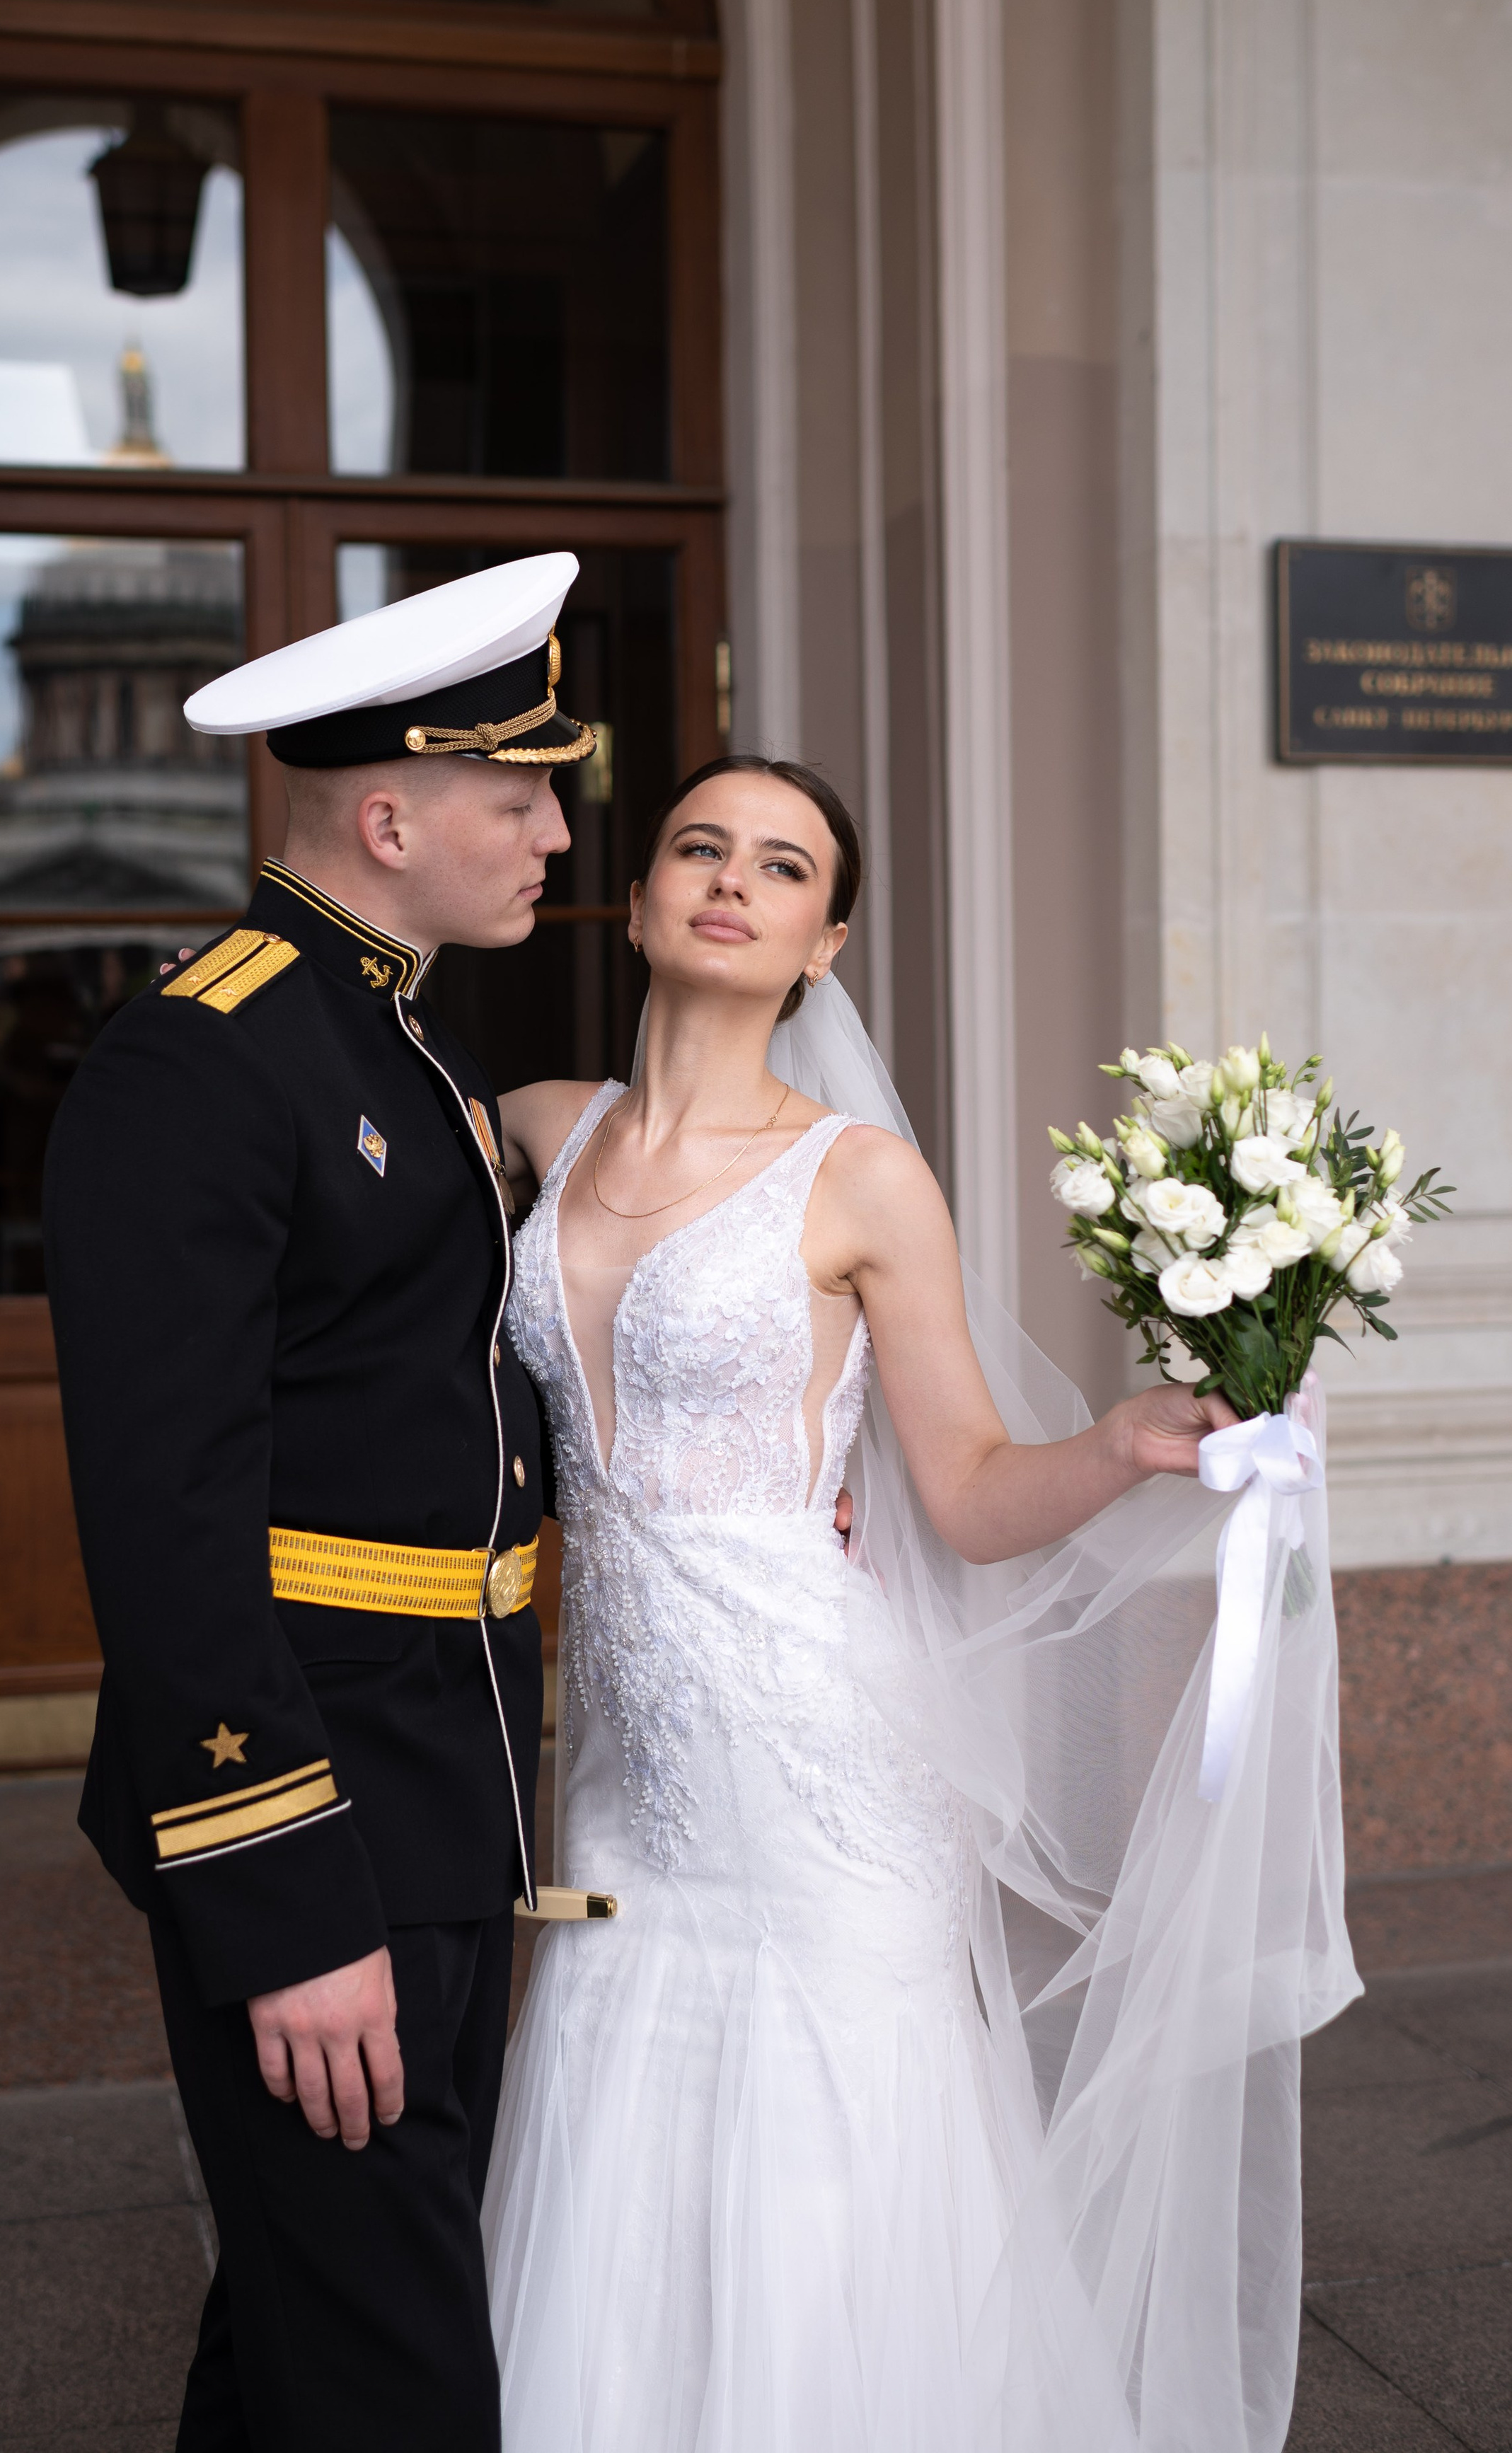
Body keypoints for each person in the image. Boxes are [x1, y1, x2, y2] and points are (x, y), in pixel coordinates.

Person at [483, 754, 1358, 2453]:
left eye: (781, 867)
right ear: (638, 896)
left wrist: (1123, 1441)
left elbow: (960, 1490)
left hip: (817, 1749)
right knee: (621, 2114)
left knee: (830, 2160)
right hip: (626, 1768)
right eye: (698, 848)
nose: (730, 881)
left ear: (822, 943)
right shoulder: (528, 1124)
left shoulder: (859, 1176)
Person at [42, 553, 596, 2453]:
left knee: (315, 2326)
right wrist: (280, 1903)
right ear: (389, 819)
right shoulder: (203, 1056)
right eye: (520, 798)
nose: (554, 835)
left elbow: (435, 1398)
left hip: (443, 1771)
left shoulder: (400, 1035)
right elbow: (167, 1522)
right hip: (317, 1806)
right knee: (391, 2365)